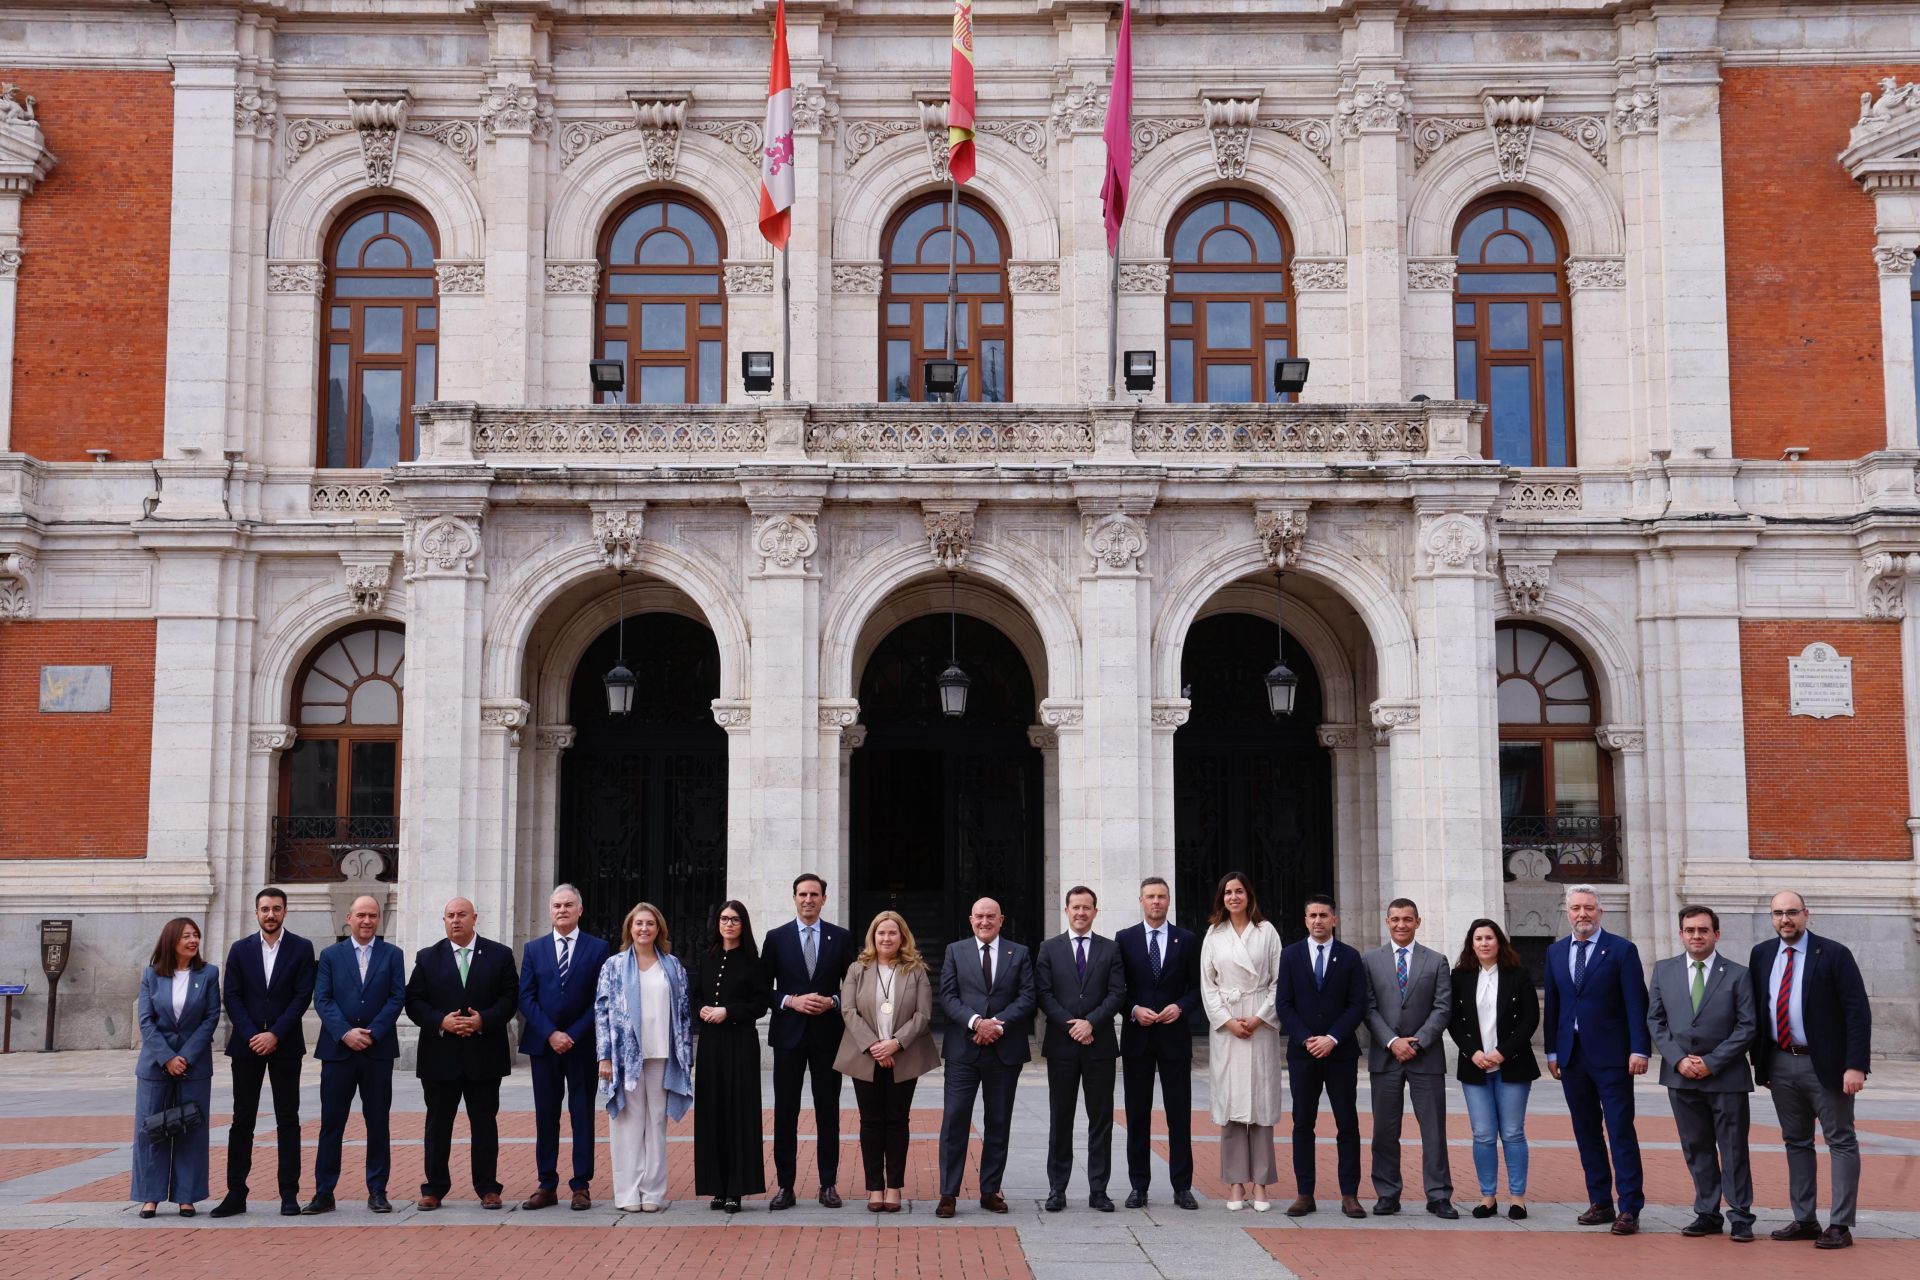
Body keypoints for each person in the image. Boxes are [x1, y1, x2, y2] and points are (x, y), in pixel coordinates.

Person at [1749, 890, 1871, 1250]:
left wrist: (1855, 1066)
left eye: (1791, 912)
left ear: (1806, 914)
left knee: (1841, 1140)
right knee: (1796, 1141)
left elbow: (1857, 1012)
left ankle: (1840, 1223)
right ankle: (1804, 1219)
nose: (1784, 919)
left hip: (1828, 1066)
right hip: (1781, 1062)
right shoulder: (1761, 955)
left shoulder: (1834, 954)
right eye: (1777, 914)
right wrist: (1763, 1064)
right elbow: (1759, 1009)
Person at [1542, 883, 1649, 1235]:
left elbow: (1636, 1003)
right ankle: (1600, 1202)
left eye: (1589, 907)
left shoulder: (1621, 950)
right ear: (1567, 911)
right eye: (1576, 908)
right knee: (1586, 1132)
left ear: (1600, 912)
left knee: (1620, 1131)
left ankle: (1629, 1207)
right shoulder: (1556, 953)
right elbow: (1554, 1005)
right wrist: (1553, 1051)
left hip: (1613, 1058)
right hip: (1572, 1057)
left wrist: (1639, 1048)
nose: (1582, 914)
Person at [1648, 905, 1756, 1242]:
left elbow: (1747, 1025)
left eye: (1703, 930)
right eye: (1690, 930)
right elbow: (1655, 1020)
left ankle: (1740, 1216)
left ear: (1716, 934)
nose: (1696, 936)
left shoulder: (1737, 973)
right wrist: (1679, 1059)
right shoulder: (1663, 971)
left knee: (1733, 1148)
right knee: (1696, 1146)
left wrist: (1712, 1061)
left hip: (1726, 1076)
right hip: (1680, 1076)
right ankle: (1707, 1213)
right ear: (1681, 934)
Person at [405, 897, 520, 1210]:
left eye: (462, 915)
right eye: (450, 916)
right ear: (443, 921)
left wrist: (484, 1020)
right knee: (437, 1125)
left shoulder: (499, 955)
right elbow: (413, 1002)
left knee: (484, 1124)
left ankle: (488, 1188)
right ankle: (434, 1188)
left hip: (484, 1055)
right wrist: (441, 1021)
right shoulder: (428, 957)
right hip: (440, 1055)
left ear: (475, 918)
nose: (455, 920)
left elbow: (510, 998)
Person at [210, 887, 315, 1219]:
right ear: (256, 913)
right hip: (247, 1045)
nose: (271, 914)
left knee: (288, 1119)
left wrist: (275, 1034)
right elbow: (232, 995)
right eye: (265, 909)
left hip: (284, 1045)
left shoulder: (301, 948)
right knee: (242, 1120)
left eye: (277, 909)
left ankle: (289, 1194)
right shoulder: (240, 950)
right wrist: (253, 1034)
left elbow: (302, 997)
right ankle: (235, 1193)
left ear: (285, 911)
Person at [935, 896, 1036, 1218]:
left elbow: (1027, 996)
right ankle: (948, 1193)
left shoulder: (1018, 953)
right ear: (971, 919)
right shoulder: (955, 951)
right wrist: (977, 1022)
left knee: (998, 1122)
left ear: (1001, 920)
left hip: (1004, 1052)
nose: (984, 921)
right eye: (979, 916)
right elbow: (947, 996)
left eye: (991, 916)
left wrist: (997, 1025)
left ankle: (990, 1190)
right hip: (963, 1051)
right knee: (955, 1120)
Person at [762, 872, 856, 1210]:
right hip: (788, 1036)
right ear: (794, 898)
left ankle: (827, 1184)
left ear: (824, 899)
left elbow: (853, 985)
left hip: (828, 1036)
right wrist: (790, 1000)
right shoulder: (776, 938)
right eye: (802, 894)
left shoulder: (840, 937)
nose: (808, 900)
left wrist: (832, 1001)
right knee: (785, 1113)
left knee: (827, 1112)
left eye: (814, 895)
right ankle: (786, 1186)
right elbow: (763, 989)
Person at [307, 894, 405, 1214]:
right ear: (348, 918)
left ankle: (377, 1190)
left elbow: (396, 997)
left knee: (377, 1123)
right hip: (338, 1052)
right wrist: (345, 1033)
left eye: (373, 916)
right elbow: (322, 999)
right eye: (361, 915)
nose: (367, 921)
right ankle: (324, 1192)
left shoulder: (393, 955)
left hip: (377, 1053)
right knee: (331, 1124)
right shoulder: (331, 955)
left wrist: (372, 1032)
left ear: (380, 919)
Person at [835, 910, 938, 1212]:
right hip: (864, 1057)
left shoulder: (915, 970)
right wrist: (874, 1046)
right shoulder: (857, 969)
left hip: (903, 1056)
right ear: (873, 936)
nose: (886, 938)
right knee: (870, 1122)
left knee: (896, 1122)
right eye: (881, 933)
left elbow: (923, 1015)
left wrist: (894, 1044)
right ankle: (874, 1188)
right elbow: (849, 1011)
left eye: (893, 933)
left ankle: (894, 1187)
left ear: (902, 936)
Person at [595, 901, 693, 1213]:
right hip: (625, 1058)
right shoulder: (613, 966)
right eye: (638, 924)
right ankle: (627, 1193)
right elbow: (602, 1013)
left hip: (663, 1054)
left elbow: (684, 1014)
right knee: (627, 1124)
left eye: (649, 924)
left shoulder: (673, 966)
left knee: (656, 1123)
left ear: (658, 929)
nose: (644, 929)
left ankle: (652, 1193)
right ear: (629, 929)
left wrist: (686, 1058)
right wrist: (604, 1057)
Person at [518, 883, 610, 1211]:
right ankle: (547, 1184)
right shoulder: (534, 949)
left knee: (582, 1114)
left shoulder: (598, 949)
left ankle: (581, 1185)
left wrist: (571, 1034)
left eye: (568, 905)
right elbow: (525, 997)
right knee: (547, 1116)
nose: (562, 910)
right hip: (545, 1047)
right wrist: (551, 1034)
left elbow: (601, 997)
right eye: (557, 905)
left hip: (582, 1045)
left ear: (580, 910)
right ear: (549, 910)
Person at [1275, 893, 1368, 1219]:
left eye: (1324, 915)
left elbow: (1357, 1004)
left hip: (1340, 1052)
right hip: (1303, 1054)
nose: (1318, 921)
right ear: (1305, 920)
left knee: (1347, 1124)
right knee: (1303, 1123)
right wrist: (1305, 1038)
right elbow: (1283, 1004)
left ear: (1334, 919)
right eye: (1312, 915)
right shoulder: (1290, 956)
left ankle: (1350, 1195)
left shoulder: (1351, 956)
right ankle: (1304, 1193)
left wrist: (1331, 1038)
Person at [1035, 885, 1127, 1213]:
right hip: (1062, 1046)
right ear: (1066, 910)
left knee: (1100, 1119)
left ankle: (1098, 1190)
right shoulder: (1049, 948)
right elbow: (1043, 994)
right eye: (1075, 907)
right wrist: (1073, 1025)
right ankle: (1057, 1189)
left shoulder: (1110, 949)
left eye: (1087, 907)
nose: (1080, 913)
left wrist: (1091, 1023)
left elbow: (1117, 993)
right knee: (1061, 1118)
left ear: (1095, 912)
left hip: (1099, 1045)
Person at [1362, 897, 1455, 1218]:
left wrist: (1417, 1043)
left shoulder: (1437, 961)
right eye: (1395, 919)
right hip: (1385, 1057)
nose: (1401, 924)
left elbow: (1443, 1007)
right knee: (1384, 1131)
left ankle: (1439, 1195)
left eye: (1407, 919)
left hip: (1425, 1057)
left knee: (1433, 1131)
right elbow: (1368, 1007)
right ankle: (1387, 1193)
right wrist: (1391, 1041)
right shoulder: (1370, 961)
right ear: (1386, 921)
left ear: (1418, 922)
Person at [1199, 871, 1283, 1213]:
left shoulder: (1267, 932)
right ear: (1222, 898)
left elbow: (1280, 981)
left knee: (1261, 1105)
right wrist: (1228, 1021)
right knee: (1232, 1104)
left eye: (1239, 892)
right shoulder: (1213, 935)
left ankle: (1261, 1183)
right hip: (1228, 1027)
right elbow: (1208, 984)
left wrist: (1261, 1016)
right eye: (1228, 892)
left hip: (1260, 1023)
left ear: (1249, 896)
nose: (1234, 897)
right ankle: (1235, 1182)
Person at [1116, 876, 1201, 1210]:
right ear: (1141, 900)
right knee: (1137, 1115)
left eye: (1161, 897)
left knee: (1179, 1114)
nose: (1156, 902)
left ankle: (1182, 1186)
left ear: (1169, 901)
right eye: (1150, 896)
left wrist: (1179, 1007)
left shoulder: (1187, 939)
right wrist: (1134, 1010)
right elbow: (1117, 989)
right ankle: (1139, 1186)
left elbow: (1197, 988)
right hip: (1138, 1037)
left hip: (1174, 1037)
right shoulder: (1125, 939)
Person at [1447, 918, 1539, 1220]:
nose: (1484, 943)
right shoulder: (1459, 977)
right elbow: (1453, 1020)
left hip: (1512, 1065)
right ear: (1471, 944)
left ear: (1499, 941)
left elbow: (1530, 1020)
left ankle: (1517, 1198)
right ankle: (1487, 1196)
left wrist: (1501, 1053)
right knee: (1483, 1134)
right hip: (1474, 1066)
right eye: (1478, 938)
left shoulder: (1518, 974)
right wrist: (1472, 1052)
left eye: (1489, 937)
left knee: (1512, 1132)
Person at [133, 917, 221, 1218]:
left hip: (193, 1065)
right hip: (156, 1066)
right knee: (152, 1129)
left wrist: (185, 1056)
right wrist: (167, 1057)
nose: (193, 940)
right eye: (186, 936)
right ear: (172, 941)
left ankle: (187, 1196)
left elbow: (211, 1018)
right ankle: (150, 1196)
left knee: (191, 1128)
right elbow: (145, 1020)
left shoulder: (208, 974)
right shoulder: (151, 975)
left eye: (196, 935)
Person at [692, 899, 770, 1213]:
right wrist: (702, 1010)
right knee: (712, 1112)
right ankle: (716, 1186)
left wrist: (729, 1012)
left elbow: (761, 1004)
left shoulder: (754, 961)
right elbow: (695, 995)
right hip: (711, 1043)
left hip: (740, 1042)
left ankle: (736, 1189)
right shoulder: (707, 958)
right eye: (724, 919)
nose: (729, 924)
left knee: (739, 1113)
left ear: (743, 924)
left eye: (735, 919)